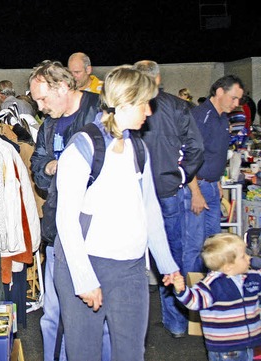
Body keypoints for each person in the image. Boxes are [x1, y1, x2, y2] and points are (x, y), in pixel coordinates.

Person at [53, 66, 179, 361]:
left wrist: (167, 264)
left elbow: (150, 208)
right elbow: (66, 221)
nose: (149, 111)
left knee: (132, 352)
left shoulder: (138, 147)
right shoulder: (83, 146)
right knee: (85, 354)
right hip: (86, 264)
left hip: (132, 270)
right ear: (125, 102)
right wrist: (84, 280)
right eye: (145, 103)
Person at [28, 59, 102, 361]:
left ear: (62, 86)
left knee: (98, 319)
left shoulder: (100, 113)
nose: (41, 107)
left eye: (43, 98)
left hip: (96, 231)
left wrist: (74, 166)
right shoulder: (48, 124)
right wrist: (50, 166)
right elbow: (38, 169)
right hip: (59, 228)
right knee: (53, 315)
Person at [134, 60, 205, 338]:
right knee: (171, 256)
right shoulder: (177, 106)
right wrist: (181, 175)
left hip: (136, 192)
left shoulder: (130, 108)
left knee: (133, 257)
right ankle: (175, 322)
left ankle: (135, 323)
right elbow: (196, 147)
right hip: (167, 189)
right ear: (159, 78)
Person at [187, 75, 245, 273]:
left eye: (239, 100)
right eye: (233, 98)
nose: (237, 104)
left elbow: (214, 154)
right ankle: (192, 294)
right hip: (198, 187)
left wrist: (217, 181)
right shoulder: (200, 116)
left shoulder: (221, 118)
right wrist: (195, 191)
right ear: (219, 92)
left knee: (215, 245)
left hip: (211, 186)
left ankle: (213, 292)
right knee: (195, 245)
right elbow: (188, 156)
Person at [173, 233, 261, 361]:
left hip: (252, 343)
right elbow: (194, 300)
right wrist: (182, 290)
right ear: (228, 266)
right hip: (227, 349)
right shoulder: (211, 285)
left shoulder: (252, 277)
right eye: (244, 256)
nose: (249, 258)